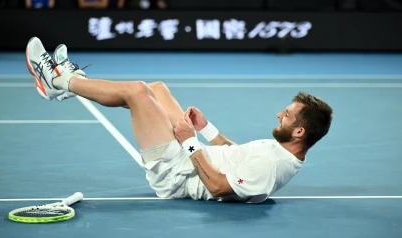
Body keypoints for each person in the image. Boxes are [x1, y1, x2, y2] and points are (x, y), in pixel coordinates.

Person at [25, 37, 333, 203]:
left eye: (287, 115)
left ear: (300, 131)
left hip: (176, 174)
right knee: (157, 89)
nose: (280, 114)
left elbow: (218, 188)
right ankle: (73, 80)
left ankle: (58, 81)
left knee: (137, 92)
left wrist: (188, 143)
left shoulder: (274, 167)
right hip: (192, 156)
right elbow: (238, 155)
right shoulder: (280, 150)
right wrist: (205, 129)